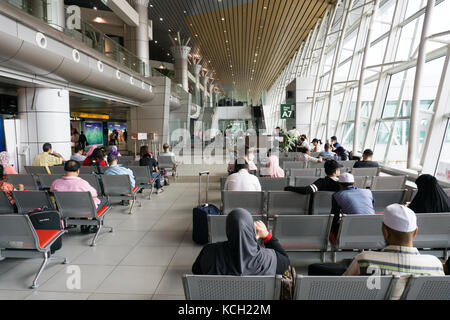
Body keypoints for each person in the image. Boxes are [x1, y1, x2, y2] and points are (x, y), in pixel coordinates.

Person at [344, 204, 445, 300]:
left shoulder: (364, 260)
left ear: (385, 232)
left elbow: (342, 290)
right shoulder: (435, 264)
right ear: (415, 233)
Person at [192, 208, 290, 275]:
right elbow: (286, 261)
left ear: (228, 229)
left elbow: (196, 271)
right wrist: (267, 236)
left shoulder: (209, 252)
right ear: (251, 229)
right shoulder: (269, 259)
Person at [50, 160, 108, 233]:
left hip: (64, 210)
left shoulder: (56, 183)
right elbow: (95, 194)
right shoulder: (83, 183)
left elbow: (52, 192)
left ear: (64, 170)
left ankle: (74, 220)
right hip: (85, 210)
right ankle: (91, 225)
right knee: (104, 200)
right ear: (78, 171)